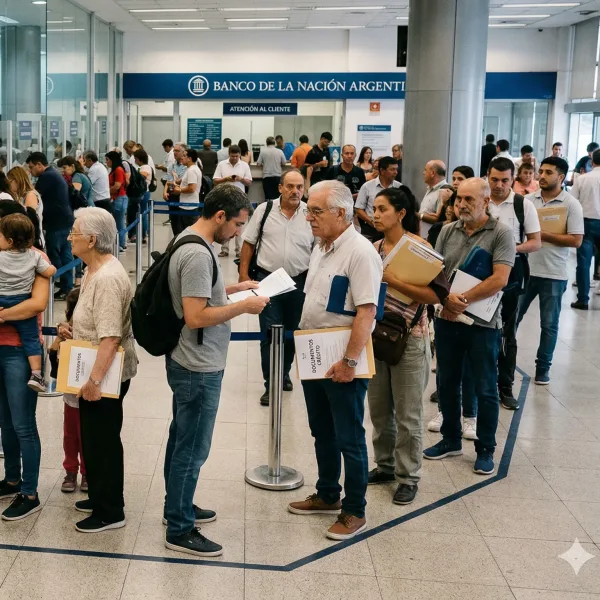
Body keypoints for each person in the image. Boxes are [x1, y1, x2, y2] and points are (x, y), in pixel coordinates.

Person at [164, 184, 269, 557]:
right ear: (220, 215)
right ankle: (179, 528)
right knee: (192, 448)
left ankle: (177, 505)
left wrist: (236, 288)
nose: (239, 232)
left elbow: (200, 291)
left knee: (181, 438)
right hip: (198, 365)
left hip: (191, 360)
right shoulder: (197, 252)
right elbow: (196, 315)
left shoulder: (193, 240)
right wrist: (244, 307)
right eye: (237, 224)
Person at [287, 180, 382, 540]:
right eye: (308, 210)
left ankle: (354, 509)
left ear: (341, 213)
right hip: (314, 352)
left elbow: (367, 311)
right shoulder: (322, 246)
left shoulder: (360, 252)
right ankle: (328, 493)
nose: (308, 217)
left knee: (349, 436)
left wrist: (349, 361)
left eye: (315, 210)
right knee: (321, 430)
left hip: (343, 357)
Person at [424, 178, 516, 476]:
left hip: (483, 325)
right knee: (447, 382)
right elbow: (435, 271)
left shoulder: (501, 233)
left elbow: (500, 278)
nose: (461, 205)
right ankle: (451, 439)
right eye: (458, 199)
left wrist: (461, 300)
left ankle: (485, 448)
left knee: (485, 388)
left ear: (485, 202)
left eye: (468, 200)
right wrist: (446, 301)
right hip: (447, 319)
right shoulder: (448, 230)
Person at [367, 187, 447, 506]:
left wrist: (391, 280)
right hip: (376, 336)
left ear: (401, 214)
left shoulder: (419, 248)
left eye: (382, 209)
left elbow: (437, 295)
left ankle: (408, 477)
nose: (375, 214)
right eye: (374, 208)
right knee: (379, 410)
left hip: (410, 339)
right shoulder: (372, 248)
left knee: (408, 414)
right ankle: (385, 465)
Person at [66, 207, 138, 533]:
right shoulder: (93, 269)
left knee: (103, 441)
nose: (70, 237)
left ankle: (110, 511)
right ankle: (98, 495)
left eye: (75, 232)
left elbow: (110, 337)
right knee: (94, 438)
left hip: (105, 374)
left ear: (92, 240)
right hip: (93, 367)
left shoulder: (107, 278)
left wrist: (94, 380)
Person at [239, 169, 313, 406]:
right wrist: (243, 276)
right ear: (280, 188)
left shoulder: (310, 213)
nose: (295, 191)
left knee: (292, 332)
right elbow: (249, 243)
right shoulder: (265, 210)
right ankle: (271, 384)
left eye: (299, 187)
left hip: (299, 281)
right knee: (270, 334)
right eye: (290, 186)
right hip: (268, 280)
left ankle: (284, 373)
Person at [0, 200, 48, 521]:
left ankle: (29, 492)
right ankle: (12, 479)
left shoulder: (36, 257)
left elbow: (36, 304)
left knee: (23, 424)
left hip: (20, 351)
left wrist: (2, 315)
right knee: (5, 422)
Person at [517, 157, 584, 384]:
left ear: (561, 177)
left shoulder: (571, 204)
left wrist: (541, 235)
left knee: (549, 325)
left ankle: (543, 368)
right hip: (526, 270)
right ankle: (503, 361)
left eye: (548, 172)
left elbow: (576, 240)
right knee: (512, 319)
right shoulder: (527, 201)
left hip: (554, 273)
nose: (542, 176)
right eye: (542, 171)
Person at [487, 157, 541, 409]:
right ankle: (466, 384)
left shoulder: (523, 205)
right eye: (494, 179)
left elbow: (535, 242)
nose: (499, 185)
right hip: (478, 270)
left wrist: (509, 249)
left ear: (513, 179)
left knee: (507, 332)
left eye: (504, 180)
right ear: (487, 177)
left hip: (511, 271)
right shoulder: (479, 200)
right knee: (471, 330)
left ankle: (505, 387)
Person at [0, 214, 56, 392]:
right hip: (22, 302)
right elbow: (49, 272)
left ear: (9, 240)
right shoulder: (35, 256)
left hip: (2, 300)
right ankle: (36, 374)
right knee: (31, 338)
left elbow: (39, 304)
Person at [48, 288, 87, 494]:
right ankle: (70, 471)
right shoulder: (65, 334)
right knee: (70, 436)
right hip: (71, 398)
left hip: (90, 396)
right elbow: (53, 361)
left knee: (87, 436)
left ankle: (87, 472)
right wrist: (60, 336)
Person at [26, 152, 74, 301]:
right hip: (64, 220)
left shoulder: (47, 177)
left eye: (31, 167)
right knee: (65, 254)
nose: (30, 171)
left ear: (39, 164)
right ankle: (67, 285)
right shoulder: (53, 174)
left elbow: (33, 195)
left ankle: (59, 283)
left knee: (55, 254)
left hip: (56, 223)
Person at [571, 148, 600, 310]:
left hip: (586, 223)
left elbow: (572, 202)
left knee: (583, 262)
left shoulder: (582, 179)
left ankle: (583, 300)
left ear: (592, 161)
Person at [213, 145, 252, 258]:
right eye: (232, 156)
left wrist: (241, 179)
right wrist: (226, 179)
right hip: (225, 197)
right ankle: (224, 249)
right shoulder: (222, 164)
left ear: (239, 155)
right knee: (225, 222)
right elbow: (215, 180)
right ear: (228, 154)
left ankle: (239, 249)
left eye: (236, 156)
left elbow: (249, 182)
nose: (234, 158)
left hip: (240, 199)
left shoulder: (244, 165)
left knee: (239, 224)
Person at [355, 156, 400, 242]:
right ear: (382, 171)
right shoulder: (367, 186)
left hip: (392, 230)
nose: (396, 172)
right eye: (392, 169)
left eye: (396, 169)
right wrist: (371, 222)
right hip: (370, 230)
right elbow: (358, 208)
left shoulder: (399, 187)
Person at [6, 165, 45, 250]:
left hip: (33, 240)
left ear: (17, 180)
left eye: (9, 182)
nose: (8, 185)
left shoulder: (30, 195)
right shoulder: (22, 196)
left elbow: (29, 218)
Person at [171, 148, 202, 236]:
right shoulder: (191, 169)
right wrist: (179, 182)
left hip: (189, 207)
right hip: (188, 205)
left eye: (184, 156)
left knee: (189, 232)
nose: (182, 157)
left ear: (189, 158)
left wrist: (180, 190)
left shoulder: (192, 171)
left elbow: (192, 188)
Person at [418, 160, 448, 238]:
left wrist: (418, 215)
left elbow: (439, 219)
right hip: (423, 238)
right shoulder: (430, 188)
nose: (423, 173)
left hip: (432, 240)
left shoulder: (444, 191)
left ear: (433, 173)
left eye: (425, 170)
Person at [105, 151, 129, 252]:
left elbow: (117, 185)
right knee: (118, 222)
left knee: (119, 223)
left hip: (119, 198)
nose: (106, 162)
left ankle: (121, 244)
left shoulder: (118, 170)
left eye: (107, 160)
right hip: (117, 198)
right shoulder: (114, 170)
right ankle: (120, 243)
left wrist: (106, 192)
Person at [164, 143, 189, 238]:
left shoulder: (187, 166)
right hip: (173, 195)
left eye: (177, 151)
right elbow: (168, 180)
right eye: (174, 150)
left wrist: (175, 181)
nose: (175, 152)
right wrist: (165, 192)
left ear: (183, 152)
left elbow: (184, 181)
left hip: (183, 195)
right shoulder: (171, 165)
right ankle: (176, 239)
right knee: (174, 220)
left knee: (183, 221)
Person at [133, 148, 154, 244]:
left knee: (143, 214)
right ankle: (142, 233)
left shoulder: (145, 167)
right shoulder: (142, 167)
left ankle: (143, 234)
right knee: (142, 213)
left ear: (138, 159)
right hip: (143, 192)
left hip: (144, 193)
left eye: (135, 159)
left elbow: (141, 177)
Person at [256, 137, 287, 201]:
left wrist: (264, 164)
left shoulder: (263, 152)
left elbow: (258, 164)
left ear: (266, 143)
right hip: (277, 176)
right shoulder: (279, 151)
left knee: (268, 197)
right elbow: (284, 163)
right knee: (278, 197)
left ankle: (268, 206)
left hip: (266, 177)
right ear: (274, 143)